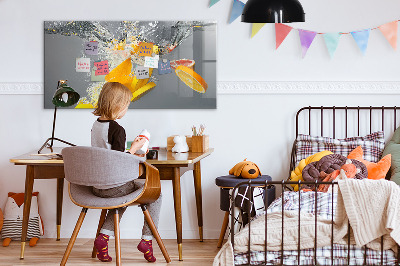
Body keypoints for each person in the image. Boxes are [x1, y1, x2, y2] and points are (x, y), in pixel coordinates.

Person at [91, 82, 161, 263]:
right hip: (114, 186)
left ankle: (103, 238)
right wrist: (136, 148)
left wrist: (130, 149)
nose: (126, 109)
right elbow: (119, 160)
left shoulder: (96, 125)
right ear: (118, 105)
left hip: (97, 186)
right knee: (156, 194)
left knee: (121, 197)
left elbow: (108, 154)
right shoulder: (117, 129)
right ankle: (147, 240)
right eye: (127, 105)